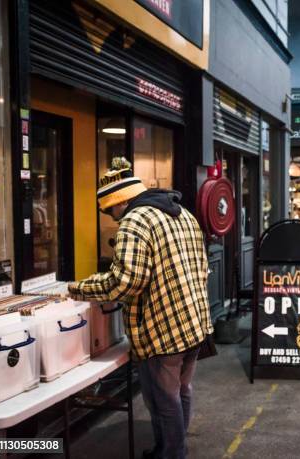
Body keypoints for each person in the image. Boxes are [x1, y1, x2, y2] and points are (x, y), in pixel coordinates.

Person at [68, 158, 212, 459]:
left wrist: (78, 288)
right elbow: (202, 266)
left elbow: (126, 282)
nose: (113, 218)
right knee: (181, 391)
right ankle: (172, 448)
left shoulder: (135, 221)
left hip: (163, 331)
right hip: (194, 323)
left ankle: (172, 454)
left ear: (118, 203)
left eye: (109, 211)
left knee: (164, 400)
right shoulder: (183, 214)